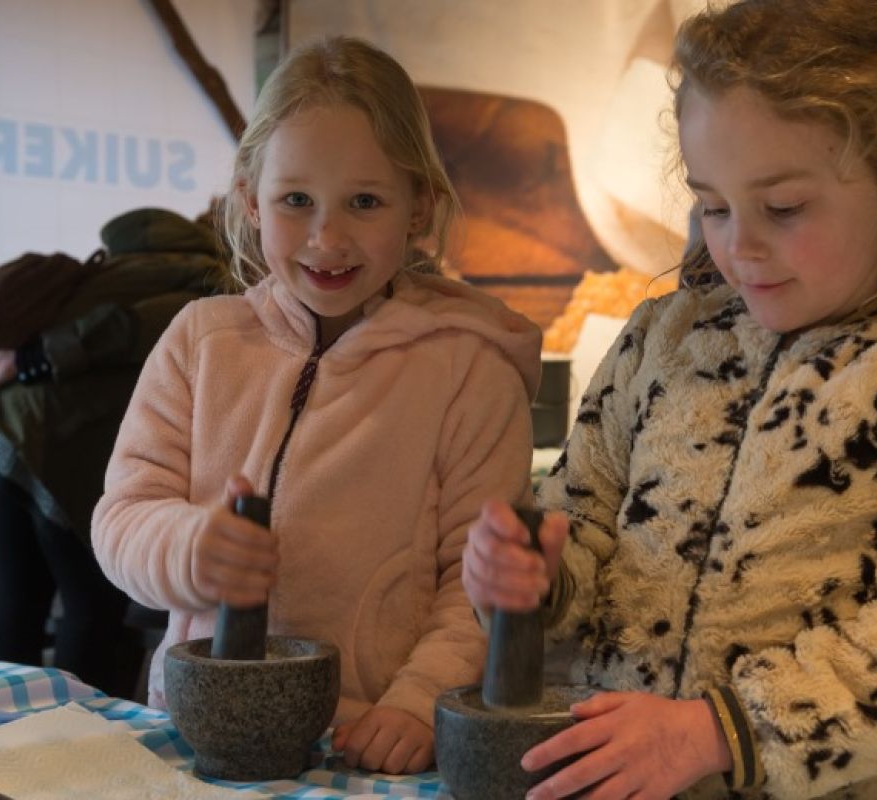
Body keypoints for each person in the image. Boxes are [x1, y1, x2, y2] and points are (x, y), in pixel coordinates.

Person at [462, 1, 877, 797]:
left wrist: (719, 731)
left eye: (782, 208)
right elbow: (585, 525)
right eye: (712, 205)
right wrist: (533, 578)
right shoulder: (661, 341)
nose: (738, 245)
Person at [90, 36, 542, 775]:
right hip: (202, 727)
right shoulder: (200, 342)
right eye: (295, 201)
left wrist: (417, 699)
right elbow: (121, 519)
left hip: (371, 744)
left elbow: (478, 577)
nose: (327, 238)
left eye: (365, 201)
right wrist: (189, 547)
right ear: (249, 201)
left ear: (419, 206)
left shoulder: (471, 368)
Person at [0, 207, 231, 699]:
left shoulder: (111, 267)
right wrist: (31, 360)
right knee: (92, 602)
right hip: (55, 441)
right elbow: (125, 329)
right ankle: (83, 736)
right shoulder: (201, 277)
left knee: (17, 591)